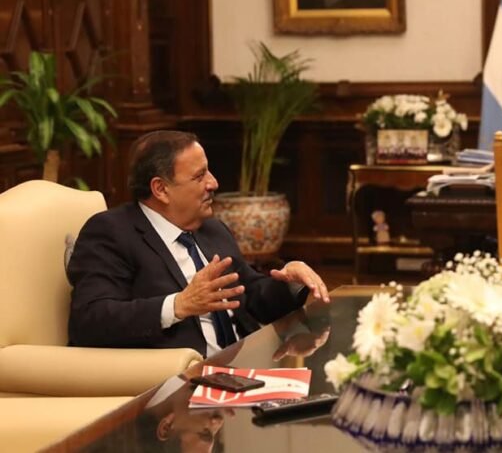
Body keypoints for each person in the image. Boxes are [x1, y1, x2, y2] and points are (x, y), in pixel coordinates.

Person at [67, 130, 330, 357]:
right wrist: (178, 305)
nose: (213, 183)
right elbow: (89, 321)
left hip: (243, 368)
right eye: (199, 176)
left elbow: (251, 295)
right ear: (161, 189)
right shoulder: (112, 233)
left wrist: (289, 283)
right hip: (175, 383)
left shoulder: (212, 229)